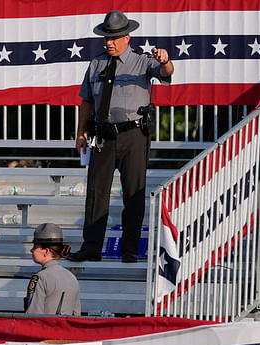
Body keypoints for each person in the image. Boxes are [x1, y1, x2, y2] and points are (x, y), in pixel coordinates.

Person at [68, 10, 174, 263]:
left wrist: (165, 61)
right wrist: (82, 130)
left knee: (133, 194)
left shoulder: (142, 61)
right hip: (102, 136)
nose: (109, 42)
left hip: (133, 135)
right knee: (96, 193)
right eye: (106, 37)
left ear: (127, 37)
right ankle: (91, 248)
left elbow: (167, 73)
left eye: (114, 37)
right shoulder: (96, 63)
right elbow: (87, 101)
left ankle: (129, 250)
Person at [25, 223, 81, 315]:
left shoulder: (40, 278)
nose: (32, 250)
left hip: (46, 329)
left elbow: (33, 316)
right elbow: (76, 315)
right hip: (67, 329)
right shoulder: (72, 277)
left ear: (46, 251)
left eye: (35, 247)